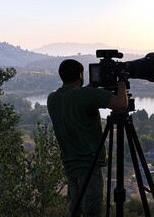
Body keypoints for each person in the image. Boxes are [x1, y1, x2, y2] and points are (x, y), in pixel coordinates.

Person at [47, 59, 128, 216]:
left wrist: (90, 90)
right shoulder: (85, 95)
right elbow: (121, 104)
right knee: (92, 212)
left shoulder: (52, 99)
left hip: (70, 166)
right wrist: (122, 82)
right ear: (80, 75)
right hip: (89, 165)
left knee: (76, 211)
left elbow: (76, 100)